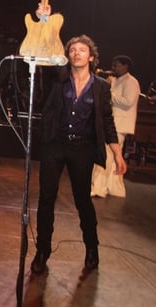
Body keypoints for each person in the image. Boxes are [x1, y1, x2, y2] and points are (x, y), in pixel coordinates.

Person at [30, 34, 127, 275]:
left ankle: (92, 249)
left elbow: (106, 120)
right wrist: (44, 21)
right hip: (55, 144)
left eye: (82, 49)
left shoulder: (102, 86)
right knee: (46, 199)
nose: (76, 53)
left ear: (91, 57)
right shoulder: (58, 79)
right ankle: (42, 251)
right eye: (72, 49)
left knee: (82, 200)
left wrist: (117, 153)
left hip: (82, 147)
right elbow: (45, 49)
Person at [91, 55, 140, 198]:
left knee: (105, 155)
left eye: (116, 65)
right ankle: (114, 189)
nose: (113, 68)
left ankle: (98, 188)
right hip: (112, 123)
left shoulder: (131, 82)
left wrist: (110, 91)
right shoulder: (116, 81)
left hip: (120, 124)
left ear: (126, 66)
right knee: (112, 159)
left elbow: (127, 102)